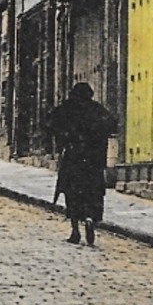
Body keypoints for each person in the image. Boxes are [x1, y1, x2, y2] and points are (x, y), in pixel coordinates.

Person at [51, 81, 119, 246]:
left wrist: (65, 141)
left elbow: (52, 124)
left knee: (72, 194)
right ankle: (90, 218)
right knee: (92, 193)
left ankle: (75, 229)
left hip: (73, 159)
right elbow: (112, 125)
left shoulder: (67, 109)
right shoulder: (97, 110)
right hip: (93, 162)